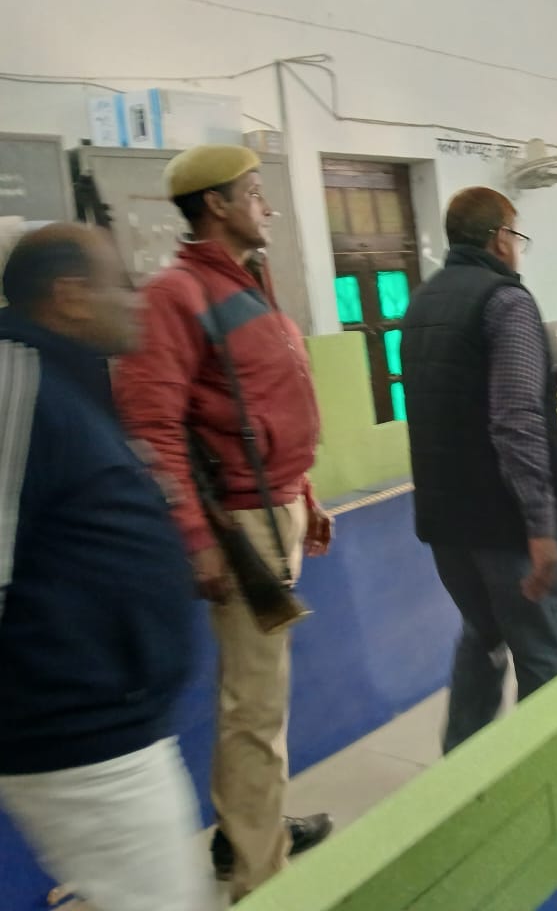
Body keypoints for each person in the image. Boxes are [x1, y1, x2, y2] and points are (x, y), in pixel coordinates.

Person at [112, 145, 331, 899]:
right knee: (254, 707)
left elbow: (258, 403)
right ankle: (259, 874)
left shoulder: (247, 282)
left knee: (259, 700)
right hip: (239, 524)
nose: (266, 204)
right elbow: (152, 430)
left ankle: (248, 832)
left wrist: (303, 494)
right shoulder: (175, 295)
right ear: (216, 204)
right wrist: (197, 539)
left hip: (274, 507)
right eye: (254, 191)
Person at [0, 224, 214, 911]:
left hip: (115, 721)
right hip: (76, 735)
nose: (136, 297)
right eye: (120, 283)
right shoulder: (14, 381)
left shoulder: (68, 378)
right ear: (69, 296)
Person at [401, 187, 557, 752]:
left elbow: (456, 400)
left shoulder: (421, 304)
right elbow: (515, 422)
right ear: (500, 238)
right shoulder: (506, 301)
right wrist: (541, 523)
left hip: (445, 523)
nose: (517, 249)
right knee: (542, 651)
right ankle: (545, 771)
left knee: (483, 633)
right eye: (516, 236)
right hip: (505, 524)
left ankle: (462, 769)